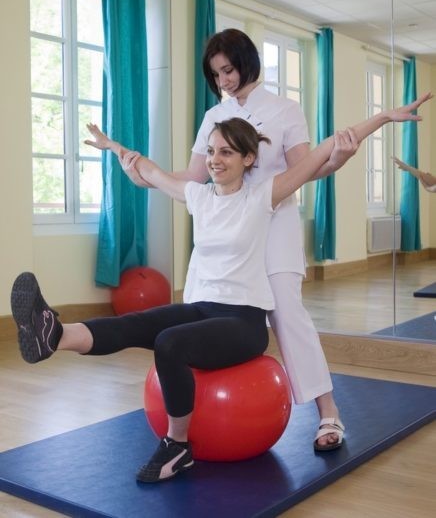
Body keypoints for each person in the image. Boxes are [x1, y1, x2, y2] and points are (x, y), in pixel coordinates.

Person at [10, 95, 429, 483]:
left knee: (169, 343)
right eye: (210, 151)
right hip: (201, 308)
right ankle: (55, 335)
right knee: (136, 323)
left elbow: (324, 150)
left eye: (226, 152)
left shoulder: (264, 195)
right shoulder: (198, 196)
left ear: (249, 158)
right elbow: (150, 170)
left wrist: (383, 117)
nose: (214, 160)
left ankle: (177, 446)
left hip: (242, 321)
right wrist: (114, 146)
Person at [115, 29, 372, 450]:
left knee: (288, 316)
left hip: (274, 227)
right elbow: (192, 179)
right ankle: (190, 420)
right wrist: (143, 178)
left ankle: (328, 413)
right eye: (216, 75)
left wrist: (338, 158)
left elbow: (305, 169)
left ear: (247, 62)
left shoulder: (286, 109)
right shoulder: (213, 118)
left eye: (228, 70)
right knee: (199, 316)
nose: (224, 81)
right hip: (223, 236)